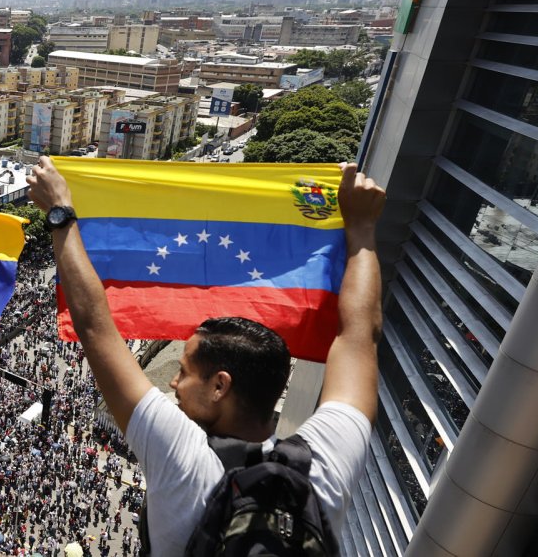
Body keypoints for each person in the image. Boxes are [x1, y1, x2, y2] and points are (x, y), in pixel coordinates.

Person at [27, 157, 385, 555]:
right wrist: (363, 228)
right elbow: (359, 337)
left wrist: (61, 214)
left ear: (220, 386)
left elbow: (95, 328)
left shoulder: (182, 459)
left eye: (184, 372)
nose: (172, 383)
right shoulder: (325, 465)